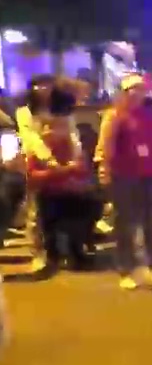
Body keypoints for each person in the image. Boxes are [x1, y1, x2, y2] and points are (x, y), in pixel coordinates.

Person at [96, 75, 152, 290]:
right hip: (125, 175)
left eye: (141, 89)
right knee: (125, 225)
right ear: (124, 92)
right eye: (133, 89)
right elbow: (105, 145)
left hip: (151, 174)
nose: (138, 93)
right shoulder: (115, 115)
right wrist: (104, 170)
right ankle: (125, 270)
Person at [26, 108, 101, 271]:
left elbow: (83, 170)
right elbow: (32, 176)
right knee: (47, 214)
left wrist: (61, 172)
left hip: (72, 193)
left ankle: (77, 250)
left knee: (88, 205)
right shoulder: (38, 150)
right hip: (49, 194)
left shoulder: (73, 147)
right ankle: (52, 254)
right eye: (47, 127)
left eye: (57, 127)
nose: (51, 131)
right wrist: (59, 172)